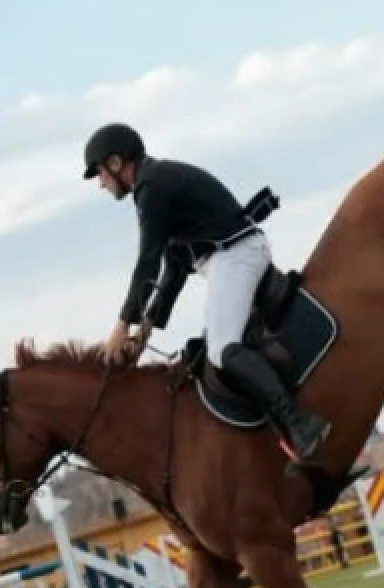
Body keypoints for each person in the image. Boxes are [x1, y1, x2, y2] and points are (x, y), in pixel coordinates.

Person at [82, 122, 331, 465]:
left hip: (236, 254)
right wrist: (145, 333)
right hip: (229, 257)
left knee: (221, 349)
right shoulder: (155, 183)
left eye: (99, 173)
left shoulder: (151, 187)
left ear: (115, 163)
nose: (100, 183)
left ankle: (297, 423)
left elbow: (148, 262)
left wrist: (122, 327)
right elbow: (173, 270)